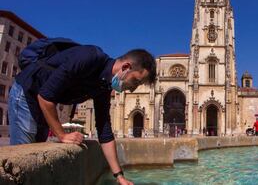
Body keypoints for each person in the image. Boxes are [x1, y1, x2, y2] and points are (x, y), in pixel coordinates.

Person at [8, 38, 156, 185]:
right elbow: (45, 96)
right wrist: (62, 135)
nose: (133, 88)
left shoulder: (103, 86)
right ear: (126, 67)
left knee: (36, 159)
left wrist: (119, 176)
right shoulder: (89, 57)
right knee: (24, 162)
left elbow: (104, 131)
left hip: (43, 102)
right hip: (27, 93)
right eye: (136, 81)